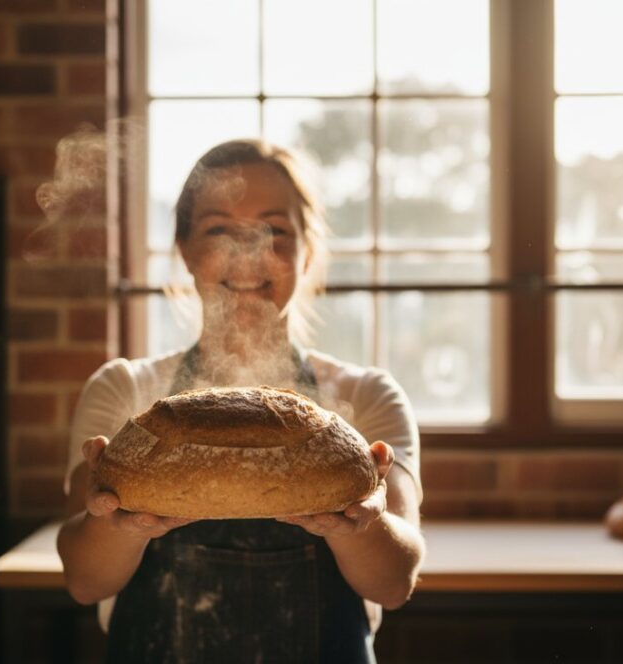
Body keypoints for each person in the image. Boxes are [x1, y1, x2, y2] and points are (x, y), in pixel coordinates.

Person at [57, 139, 425, 663]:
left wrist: (361, 529)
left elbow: (394, 584)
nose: (248, 253)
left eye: (274, 230)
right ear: (184, 248)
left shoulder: (365, 397)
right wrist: (116, 526)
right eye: (218, 229)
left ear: (308, 249)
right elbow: (84, 582)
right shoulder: (125, 392)